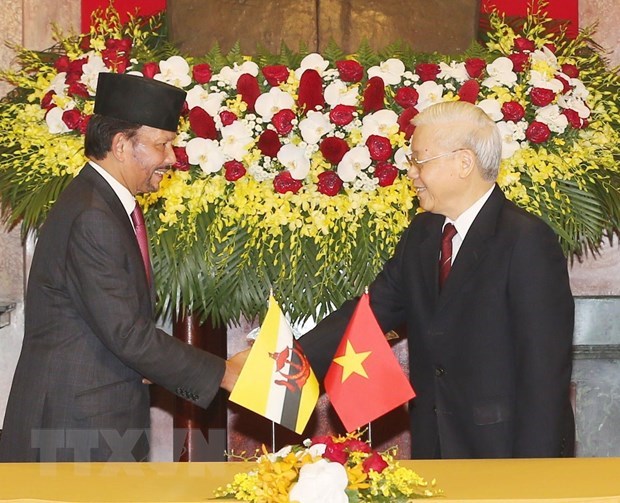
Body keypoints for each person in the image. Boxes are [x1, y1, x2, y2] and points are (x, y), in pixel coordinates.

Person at [299, 101, 575, 459]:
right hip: (435, 445)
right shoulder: (423, 235)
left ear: (464, 163)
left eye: (419, 160)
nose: (411, 173)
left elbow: (544, 372)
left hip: (505, 453)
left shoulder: (524, 239)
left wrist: (533, 476)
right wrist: (291, 359)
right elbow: (370, 313)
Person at [0, 73, 249, 462]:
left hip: (92, 419)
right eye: (162, 144)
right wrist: (225, 374)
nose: (171, 158)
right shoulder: (92, 215)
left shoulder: (101, 202)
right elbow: (128, 335)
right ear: (120, 145)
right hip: (74, 429)